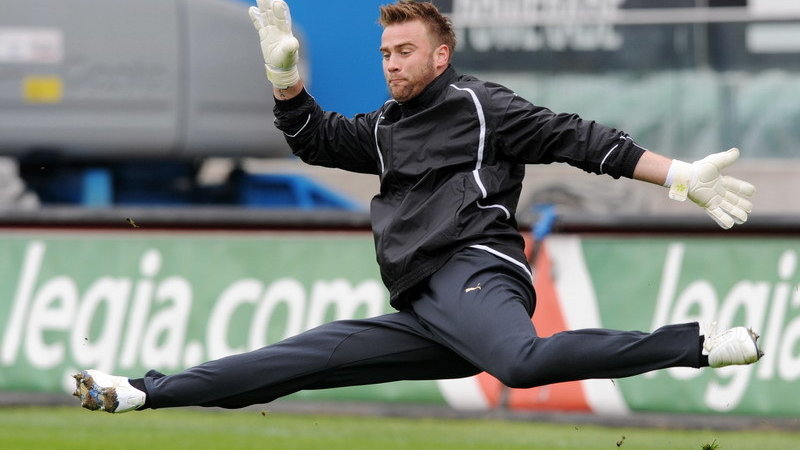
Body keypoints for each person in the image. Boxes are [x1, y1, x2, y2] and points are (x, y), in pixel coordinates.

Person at [73, 0, 762, 414]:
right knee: (292, 362)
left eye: (405, 51)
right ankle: (141, 392)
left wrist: (678, 176)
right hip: (427, 306)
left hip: (476, 273)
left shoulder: (483, 106)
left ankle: (695, 345)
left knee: (521, 363)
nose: (391, 63)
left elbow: (579, 140)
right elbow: (317, 139)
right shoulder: (387, 127)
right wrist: (286, 81)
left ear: (441, 55)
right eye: (384, 53)